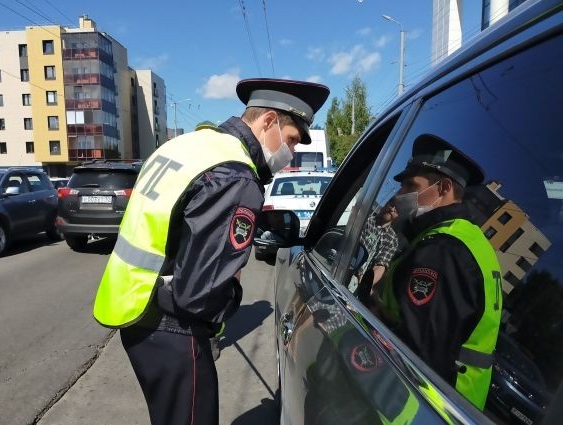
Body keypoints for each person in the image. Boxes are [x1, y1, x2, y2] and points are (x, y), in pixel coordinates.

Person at [93, 78, 330, 425]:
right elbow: (200, 295)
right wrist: (232, 294)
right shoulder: (235, 176)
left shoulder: (189, 146)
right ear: (269, 121)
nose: (290, 152)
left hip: (133, 308)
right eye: (292, 139)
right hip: (176, 328)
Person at [376, 134, 502, 410]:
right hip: (457, 404)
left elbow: (414, 357)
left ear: (444, 188)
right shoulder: (469, 240)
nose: (400, 195)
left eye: (411, 185)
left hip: (418, 408)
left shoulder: (442, 252)